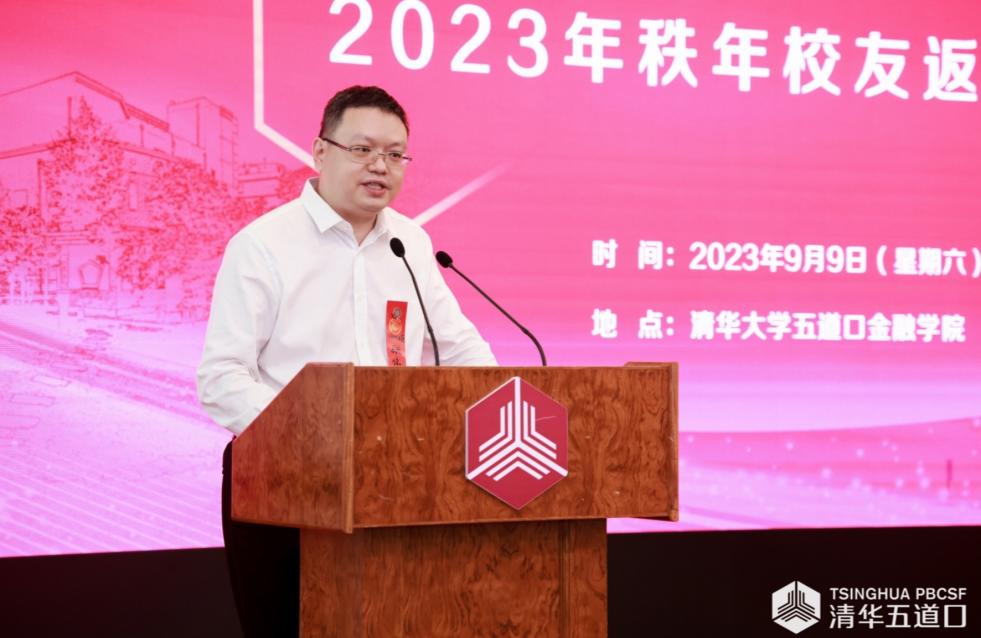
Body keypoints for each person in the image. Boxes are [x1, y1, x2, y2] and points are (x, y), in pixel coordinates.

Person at [197, 85, 497, 636]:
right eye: (362, 150)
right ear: (320, 151)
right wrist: (317, 438)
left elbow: (459, 348)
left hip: (394, 474)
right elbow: (222, 378)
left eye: (395, 154)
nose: (380, 166)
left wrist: (502, 409)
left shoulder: (410, 242)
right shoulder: (262, 245)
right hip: (282, 480)